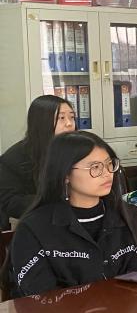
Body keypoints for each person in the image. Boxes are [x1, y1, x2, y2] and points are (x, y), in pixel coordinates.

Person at [9, 131, 137, 298]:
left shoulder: (126, 214)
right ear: (65, 175)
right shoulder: (34, 228)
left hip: (121, 312)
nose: (107, 173)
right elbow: (40, 297)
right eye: (95, 167)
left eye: (109, 164)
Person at [0, 94, 77, 226]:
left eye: (72, 117)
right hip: (36, 223)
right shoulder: (15, 158)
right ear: (42, 122)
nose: (69, 123)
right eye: (61, 118)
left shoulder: (80, 149)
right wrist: (54, 202)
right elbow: (10, 201)